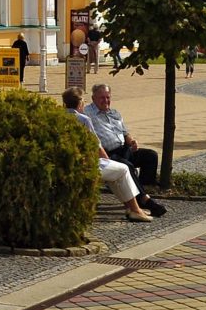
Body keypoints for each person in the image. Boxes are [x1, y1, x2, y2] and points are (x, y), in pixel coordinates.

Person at [62, 88, 153, 222]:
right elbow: (96, 145)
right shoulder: (83, 119)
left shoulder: (59, 116)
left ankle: (132, 208)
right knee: (122, 169)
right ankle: (135, 209)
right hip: (85, 163)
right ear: (80, 102)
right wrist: (108, 160)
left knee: (117, 172)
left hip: (66, 162)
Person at [84, 84, 166, 215]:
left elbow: (125, 133)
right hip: (108, 153)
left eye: (108, 97)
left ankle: (139, 191)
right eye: (102, 98)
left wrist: (132, 141)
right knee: (126, 166)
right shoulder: (88, 113)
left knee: (151, 156)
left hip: (125, 149)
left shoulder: (115, 113)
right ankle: (144, 200)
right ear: (93, 98)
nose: (105, 101)